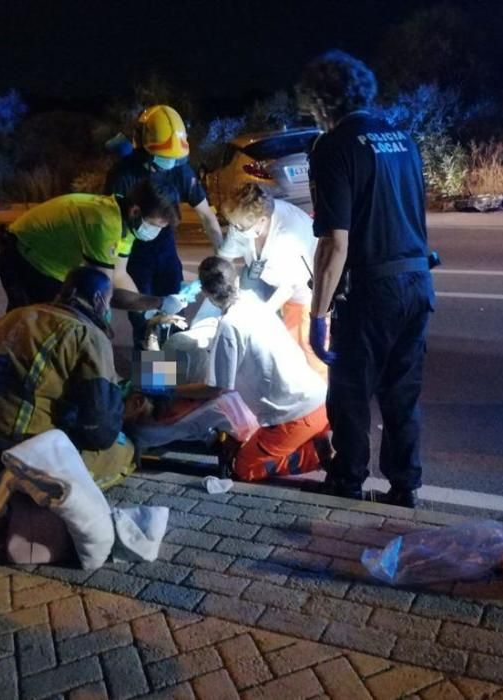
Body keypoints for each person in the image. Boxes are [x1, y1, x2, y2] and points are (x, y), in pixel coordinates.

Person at [298, 51, 435, 508]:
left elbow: (335, 244)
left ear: (321, 102)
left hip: (372, 288)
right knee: (402, 394)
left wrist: (318, 316)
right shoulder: (404, 139)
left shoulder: (333, 147)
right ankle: (405, 486)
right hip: (417, 283)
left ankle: (348, 478)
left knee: (350, 390)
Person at [0, 267, 144, 491]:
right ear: (98, 299)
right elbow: (100, 432)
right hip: (21, 448)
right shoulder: (87, 333)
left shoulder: (16, 315)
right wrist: (123, 418)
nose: (108, 310)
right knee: (126, 451)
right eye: (108, 302)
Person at [176, 257, 331, 482]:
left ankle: (317, 455)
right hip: (318, 399)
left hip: (295, 417)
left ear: (205, 292)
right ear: (237, 281)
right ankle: (314, 442)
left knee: (244, 468)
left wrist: (174, 389)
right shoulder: (253, 302)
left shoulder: (229, 327)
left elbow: (216, 388)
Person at [104, 105, 224, 347]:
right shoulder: (123, 175)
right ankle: (152, 382)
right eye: (162, 159)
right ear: (144, 149)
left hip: (166, 255)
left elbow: (208, 218)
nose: (168, 165)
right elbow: (113, 237)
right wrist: (144, 305)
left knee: (172, 320)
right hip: (133, 260)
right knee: (145, 325)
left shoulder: (180, 169)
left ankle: (167, 380)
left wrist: (223, 258)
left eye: (174, 159)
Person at [0, 180, 181, 314]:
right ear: (135, 211)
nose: (155, 232)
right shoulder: (105, 222)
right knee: (34, 325)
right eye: (155, 226)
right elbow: (103, 293)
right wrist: (156, 304)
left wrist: (147, 311)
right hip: (26, 259)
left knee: (64, 327)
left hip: (49, 265)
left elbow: (119, 275)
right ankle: (1, 364)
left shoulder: (127, 221)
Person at [217, 183, 325, 378]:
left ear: (262, 221)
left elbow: (289, 287)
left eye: (240, 227)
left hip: (305, 291)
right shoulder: (243, 221)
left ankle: (324, 395)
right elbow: (225, 259)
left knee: (308, 346)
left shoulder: (288, 236)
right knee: (290, 345)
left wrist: (261, 317)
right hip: (268, 277)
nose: (235, 230)